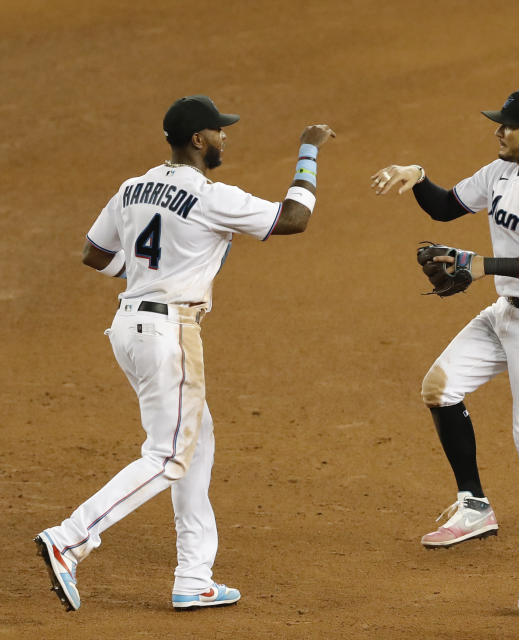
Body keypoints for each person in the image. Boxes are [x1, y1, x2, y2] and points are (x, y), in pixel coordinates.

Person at [34, 95, 335, 611]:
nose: (225, 138)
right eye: (219, 131)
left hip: (129, 327)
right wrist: (308, 149)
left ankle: (194, 575)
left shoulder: (133, 187)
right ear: (199, 139)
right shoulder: (209, 195)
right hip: (170, 332)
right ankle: (70, 538)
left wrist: (147, 277)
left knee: (197, 441)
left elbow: (94, 253)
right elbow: (294, 217)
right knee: (169, 454)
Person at [371, 89, 519, 611]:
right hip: (508, 312)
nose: (498, 132)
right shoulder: (501, 172)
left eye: (508, 126)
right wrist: (417, 177)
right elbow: (446, 207)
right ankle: (474, 506)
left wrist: (483, 267)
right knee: (440, 387)